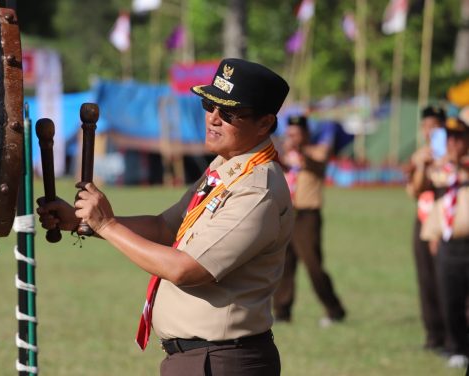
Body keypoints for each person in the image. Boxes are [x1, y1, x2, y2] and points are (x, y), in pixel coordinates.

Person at [37, 58, 294, 376]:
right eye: (208, 104)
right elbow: (164, 227)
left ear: (264, 123)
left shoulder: (256, 190)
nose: (212, 119)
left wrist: (107, 224)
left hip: (222, 361)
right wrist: (80, 221)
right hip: (203, 359)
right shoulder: (225, 168)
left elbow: (186, 268)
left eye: (227, 113)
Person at [272, 115, 346, 326]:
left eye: (296, 133)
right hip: (286, 213)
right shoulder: (285, 154)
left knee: (313, 265)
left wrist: (300, 150)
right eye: (290, 133)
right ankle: (282, 312)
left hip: (307, 215)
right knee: (284, 265)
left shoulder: (316, 151)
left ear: (305, 134)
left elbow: (316, 164)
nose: (292, 137)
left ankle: (334, 309)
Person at [414, 114, 469, 368]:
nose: (453, 144)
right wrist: (425, 166)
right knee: (450, 297)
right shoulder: (439, 168)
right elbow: (418, 189)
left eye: (459, 139)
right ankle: (456, 347)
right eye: (450, 139)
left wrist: (459, 165)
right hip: (447, 243)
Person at [405, 105, 447, 352]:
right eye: (426, 126)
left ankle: (454, 335)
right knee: (426, 279)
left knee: (447, 280)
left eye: (436, 127)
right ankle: (433, 335)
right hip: (423, 219)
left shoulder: (453, 154)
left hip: (446, 222)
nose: (430, 131)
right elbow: (415, 190)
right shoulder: (420, 154)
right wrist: (421, 166)